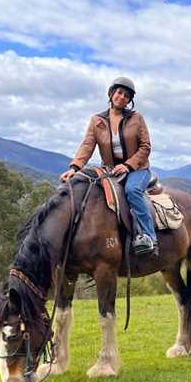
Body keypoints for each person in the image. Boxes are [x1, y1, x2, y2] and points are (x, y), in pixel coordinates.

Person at [60, 76, 157, 256]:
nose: (122, 97)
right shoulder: (97, 120)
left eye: (127, 96)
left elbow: (145, 146)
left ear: (130, 100)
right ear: (112, 93)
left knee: (132, 191)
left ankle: (149, 237)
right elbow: (87, 145)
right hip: (110, 170)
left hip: (138, 169)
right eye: (119, 92)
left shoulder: (137, 118)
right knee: (91, 192)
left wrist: (128, 166)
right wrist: (74, 168)